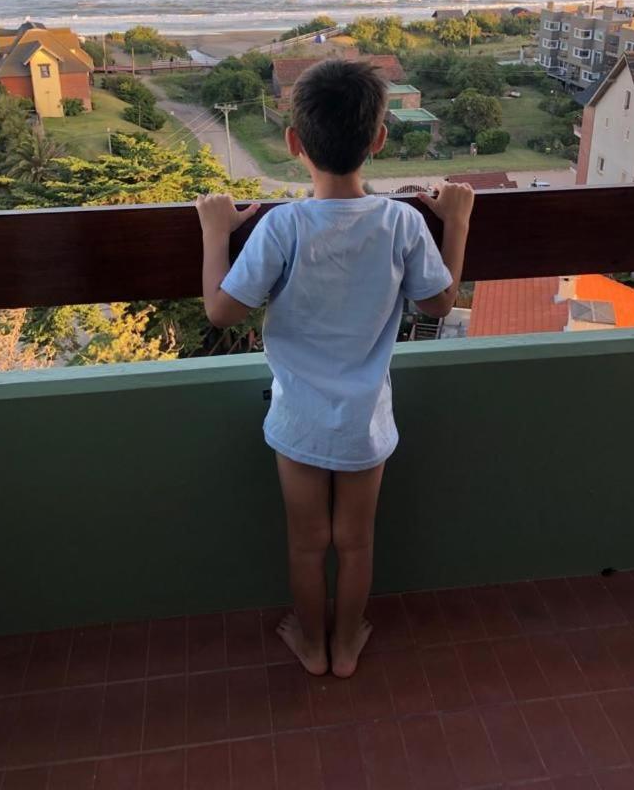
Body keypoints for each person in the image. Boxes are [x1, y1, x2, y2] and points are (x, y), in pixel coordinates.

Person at [195, 59, 475, 678]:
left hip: (297, 419)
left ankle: (312, 644)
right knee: (356, 542)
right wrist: (456, 222)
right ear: (379, 139)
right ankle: (346, 646)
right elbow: (439, 302)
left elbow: (220, 310)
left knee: (306, 545)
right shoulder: (402, 222)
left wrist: (216, 231)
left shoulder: (283, 226)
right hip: (365, 421)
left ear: (294, 142)